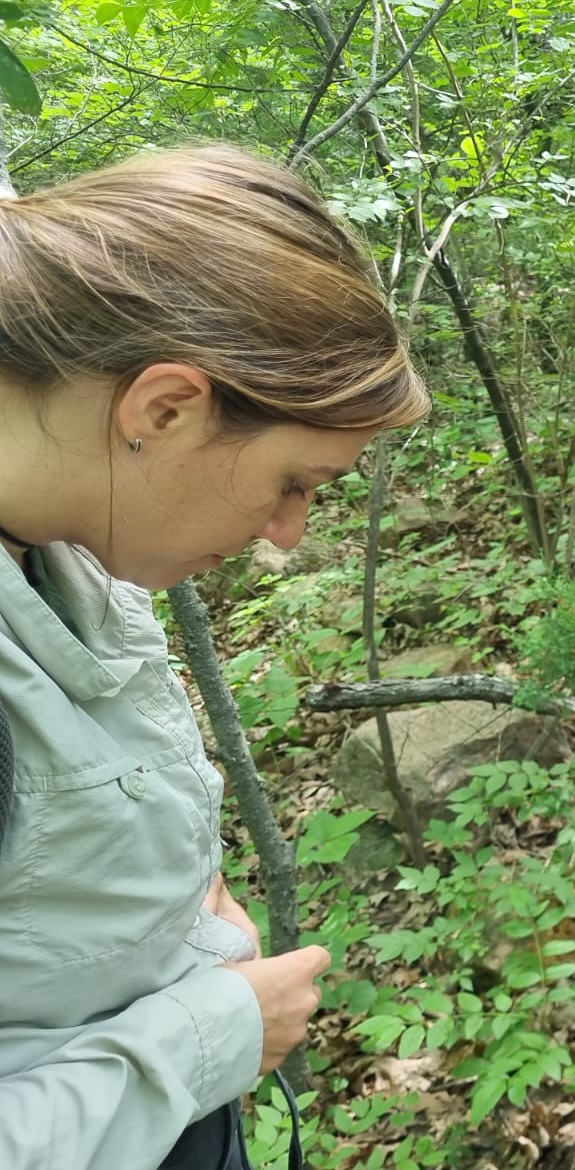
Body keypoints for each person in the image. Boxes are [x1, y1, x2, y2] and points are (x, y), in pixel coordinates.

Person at [0, 145, 430, 1169]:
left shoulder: (70, 531)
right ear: (163, 409)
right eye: (294, 480)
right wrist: (207, 1042)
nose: (288, 531)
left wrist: (172, 894)